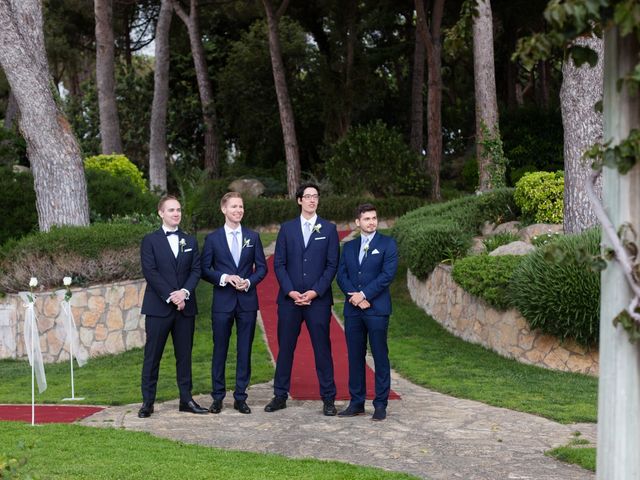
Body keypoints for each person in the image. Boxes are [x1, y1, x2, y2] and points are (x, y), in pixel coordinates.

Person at [264, 182, 340, 416]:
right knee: (285, 348)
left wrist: (315, 292)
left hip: (318, 301)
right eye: (307, 196)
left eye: (315, 196)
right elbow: (279, 263)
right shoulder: (287, 229)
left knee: (322, 349)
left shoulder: (328, 229)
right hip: (290, 301)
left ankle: (328, 398)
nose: (312, 200)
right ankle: (279, 395)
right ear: (299, 200)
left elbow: (331, 265)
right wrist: (291, 291)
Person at [138, 195, 208, 418]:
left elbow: (196, 270)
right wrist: (171, 296)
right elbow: (151, 272)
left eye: (178, 210)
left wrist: (184, 293)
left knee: (184, 356)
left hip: (185, 309)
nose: (176, 213)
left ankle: (186, 399)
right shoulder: (150, 241)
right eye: (171, 210)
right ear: (160, 213)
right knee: (152, 356)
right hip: (158, 308)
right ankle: (148, 402)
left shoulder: (190, 240)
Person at [201, 192, 267, 414]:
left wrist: (248, 281)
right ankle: (217, 397)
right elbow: (205, 269)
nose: (238, 210)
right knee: (220, 349)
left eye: (241, 207)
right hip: (222, 302)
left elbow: (262, 268)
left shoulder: (253, 237)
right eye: (234, 207)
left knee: (244, 350)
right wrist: (225, 278)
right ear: (223, 209)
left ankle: (241, 397)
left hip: (247, 302)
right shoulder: (212, 239)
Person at [336, 203, 398, 421]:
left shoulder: (387, 244)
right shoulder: (349, 247)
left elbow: (387, 275)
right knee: (355, 357)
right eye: (367, 219)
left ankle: (380, 404)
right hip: (353, 311)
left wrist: (364, 295)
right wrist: (354, 296)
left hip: (377, 310)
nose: (371, 222)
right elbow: (341, 275)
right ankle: (356, 403)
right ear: (357, 222)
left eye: (374, 218)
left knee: (380, 356)